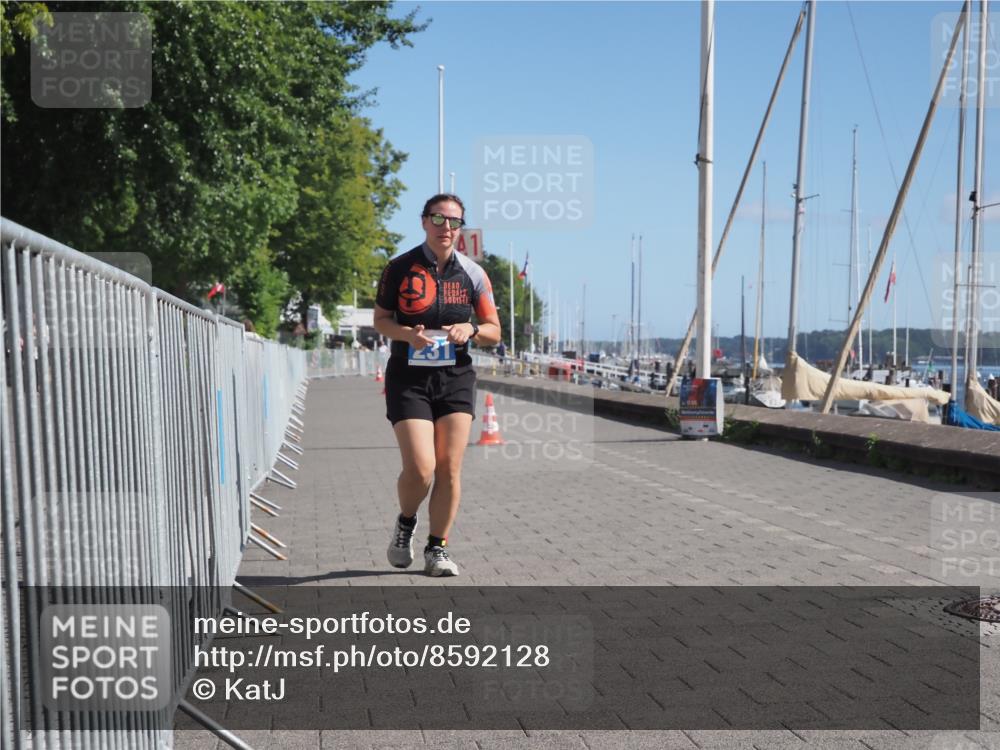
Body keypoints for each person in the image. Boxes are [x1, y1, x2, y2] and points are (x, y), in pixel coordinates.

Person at [373, 194, 502, 576]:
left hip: (455, 378)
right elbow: (380, 321)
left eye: (455, 221)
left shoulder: (473, 273)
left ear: (462, 228)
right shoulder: (399, 268)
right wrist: (405, 335)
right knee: (421, 468)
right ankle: (406, 522)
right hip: (409, 376)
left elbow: (494, 330)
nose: (447, 227)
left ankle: (437, 548)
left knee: (449, 468)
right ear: (424, 221)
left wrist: (472, 329)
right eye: (438, 219)